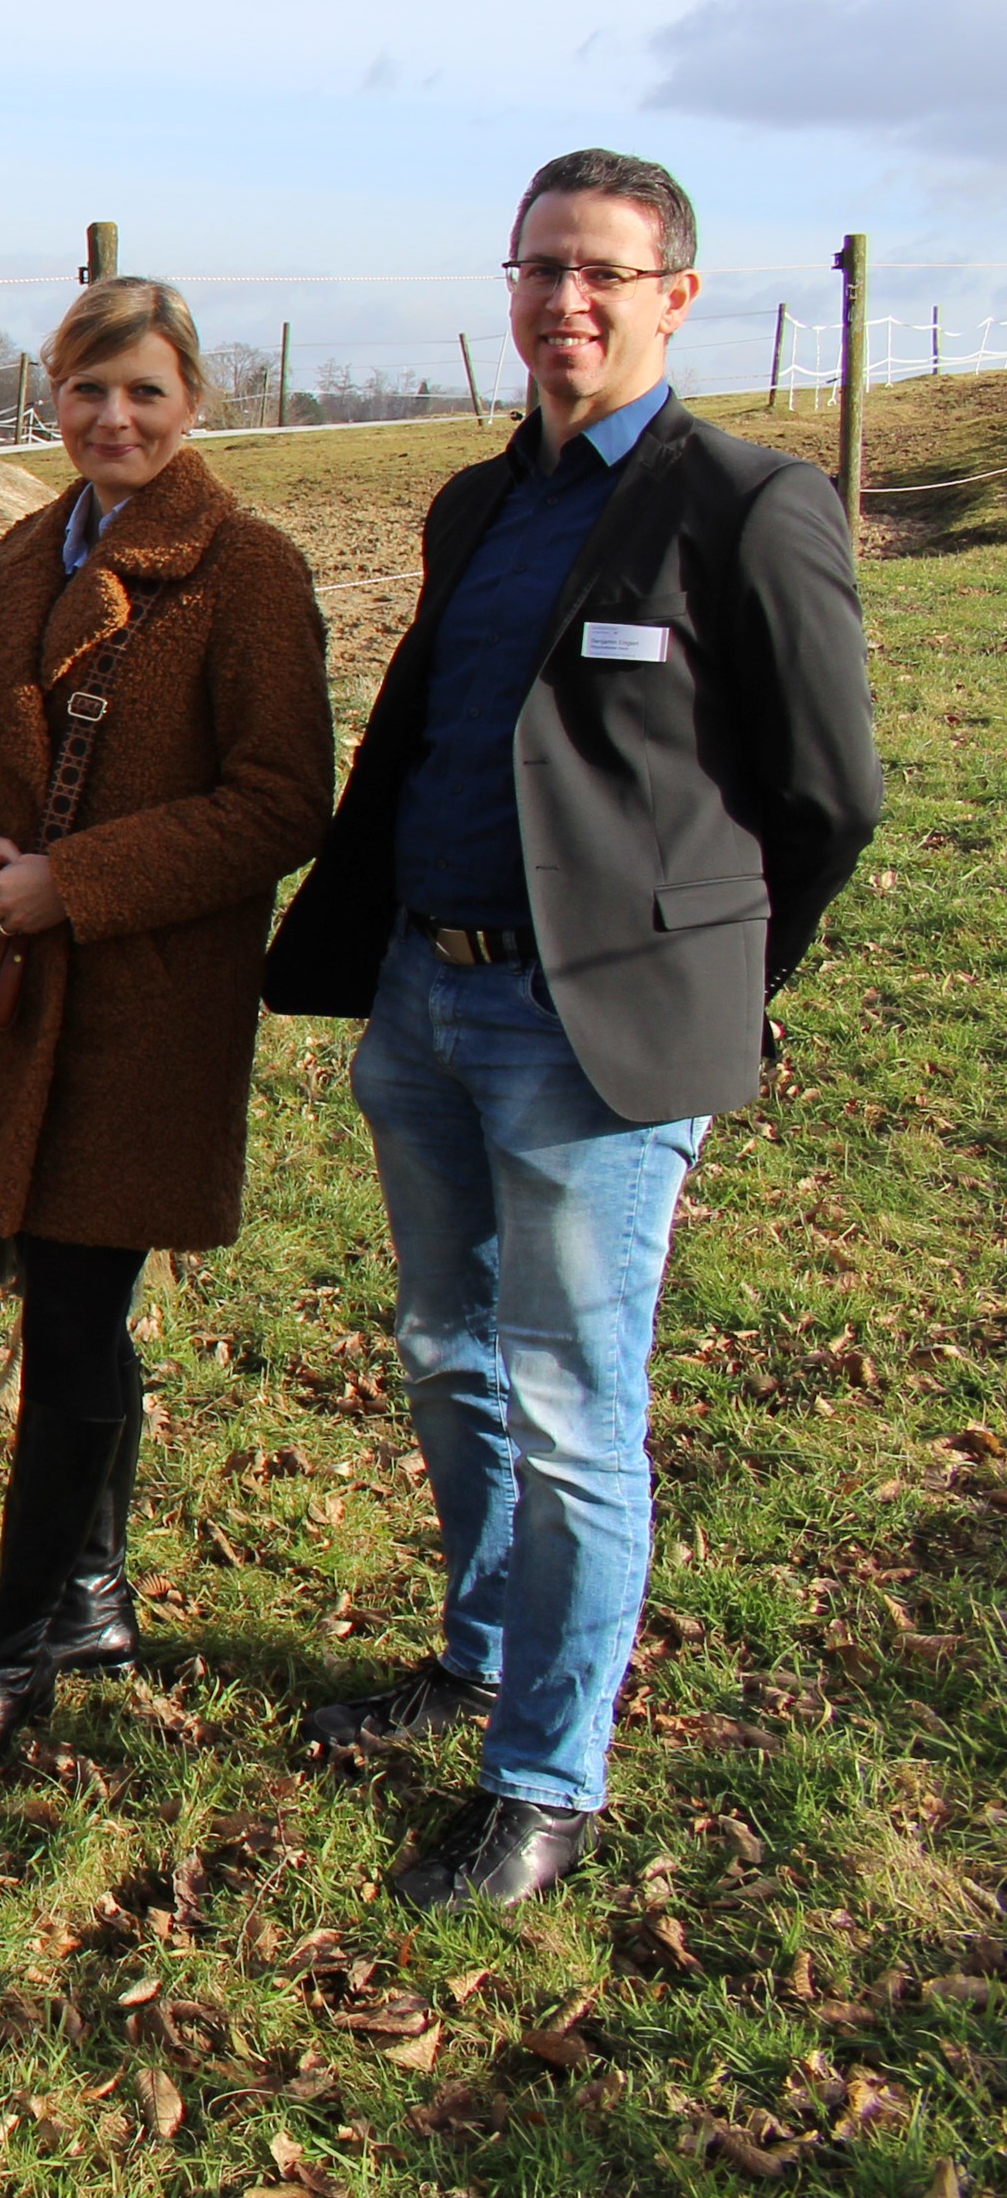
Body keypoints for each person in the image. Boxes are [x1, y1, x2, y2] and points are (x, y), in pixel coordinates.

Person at [263, 149, 881, 1908]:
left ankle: (547, 1775)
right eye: (539, 269)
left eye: (603, 273)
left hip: (590, 1037)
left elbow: (828, 797)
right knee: (444, 1352)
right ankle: (476, 1651)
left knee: (569, 1404)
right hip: (424, 998)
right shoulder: (475, 504)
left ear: (675, 296)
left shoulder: (747, 508)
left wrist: (716, 993)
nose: (565, 303)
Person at [0, 277, 334, 1773]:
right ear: (52, 396)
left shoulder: (247, 572)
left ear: (192, 398)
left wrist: (68, 882)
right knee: (69, 1303)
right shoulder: (24, 555)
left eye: (142, 390)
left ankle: (12, 1646)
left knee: (75, 1309)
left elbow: (283, 800)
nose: (114, 418)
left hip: (144, 1004)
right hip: (25, 985)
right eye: (87, 390)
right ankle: (85, 1590)